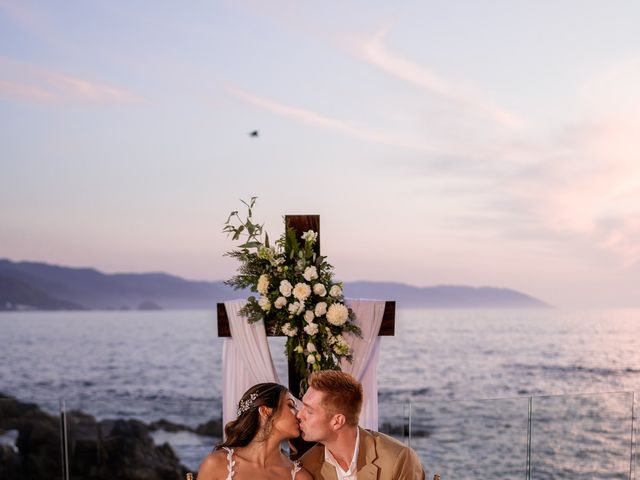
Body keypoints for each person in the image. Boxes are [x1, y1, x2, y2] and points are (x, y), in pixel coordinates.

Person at [297, 370, 425, 480]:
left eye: (309, 411)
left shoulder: (398, 459)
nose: (299, 415)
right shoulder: (307, 467)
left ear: (337, 421)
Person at [198, 382, 312, 480]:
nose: (299, 414)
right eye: (291, 405)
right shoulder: (217, 464)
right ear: (265, 411)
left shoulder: (300, 477)